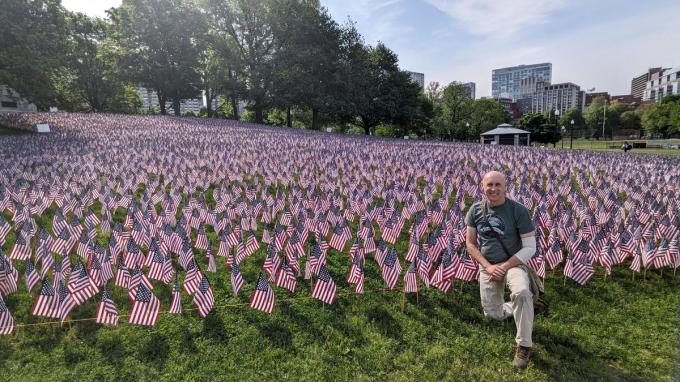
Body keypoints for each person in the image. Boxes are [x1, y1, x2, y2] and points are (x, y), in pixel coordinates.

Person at [465, 171, 537, 369]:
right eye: (490, 185)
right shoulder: (475, 210)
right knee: (493, 315)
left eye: (498, 185)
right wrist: (488, 267)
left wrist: (504, 266)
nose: (494, 189)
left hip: (513, 262)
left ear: (506, 187)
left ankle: (524, 345)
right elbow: (470, 244)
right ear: (483, 187)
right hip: (488, 265)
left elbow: (530, 247)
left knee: (521, 292)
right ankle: (525, 308)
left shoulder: (518, 210)